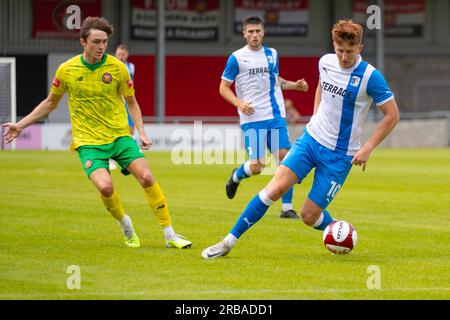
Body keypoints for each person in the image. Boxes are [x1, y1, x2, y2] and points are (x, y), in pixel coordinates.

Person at [202, 19, 400, 259]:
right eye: (339, 51)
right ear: (334, 46)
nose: (343, 57)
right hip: (311, 141)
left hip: (339, 155)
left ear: (360, 48)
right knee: (273, 189)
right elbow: (321, 87)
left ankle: (338, 231)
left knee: (308, 215)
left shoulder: (371, 77)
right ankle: (227, 242)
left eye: (349, 52)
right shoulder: (326, 62)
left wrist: (368, 147)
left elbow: (392, 115)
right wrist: (315, 116)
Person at [2, 17, 192, 250]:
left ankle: (170, 234)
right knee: (106, 187)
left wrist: (141, 131)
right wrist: (20, 125)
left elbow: (131, 102)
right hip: (88, 141)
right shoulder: (67, 70)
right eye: (96, 41)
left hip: (119, 136)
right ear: (83, 42)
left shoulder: (117, 68)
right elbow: (50, 103)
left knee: (146, 177)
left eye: (105, 41)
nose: (102, 46)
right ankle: (126, 225)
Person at [221, 16, 309, 219]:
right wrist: (239, 103)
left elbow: (274, 80)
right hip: (252, 119)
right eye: (250, 31)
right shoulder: (236, 58)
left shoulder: (272, 54)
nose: (254, 35)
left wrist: (295, 85)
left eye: (257, 31)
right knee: (257, 166)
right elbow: (223, 87)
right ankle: (236, 176)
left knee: (286, 159)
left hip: (276, 115)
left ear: (263, 32)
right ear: (244, 33)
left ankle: (287, 209)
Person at [109, 44, 137, 170]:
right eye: (119, 54)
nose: (121, 56)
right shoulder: (110, 66)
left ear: (127, 55)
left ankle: (128, 156)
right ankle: (110, 158)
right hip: (115, 103)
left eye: (123, 54)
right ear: (115, 54)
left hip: (127, 103)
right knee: (113, 130)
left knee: (131, 129)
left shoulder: (130, 67)